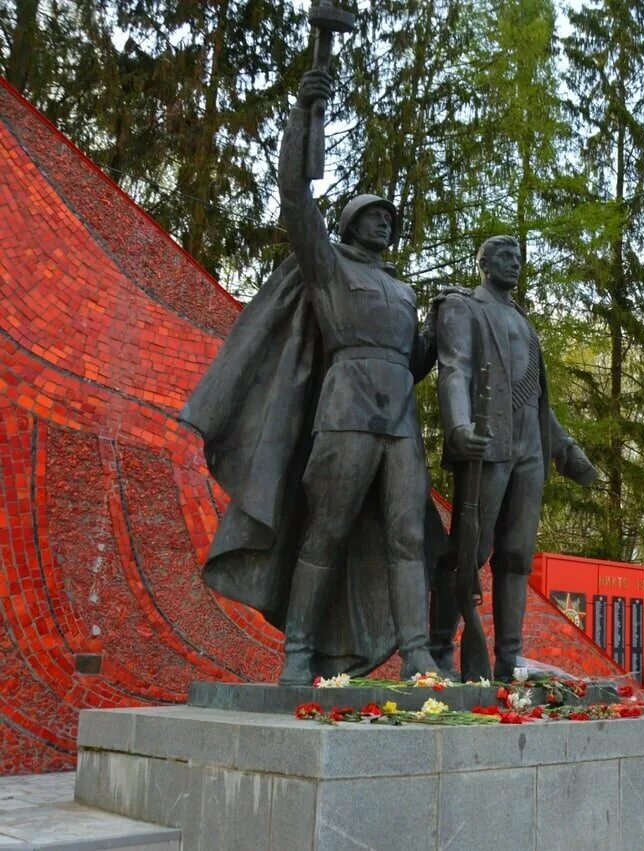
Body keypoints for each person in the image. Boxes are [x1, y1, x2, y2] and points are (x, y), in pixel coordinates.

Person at [181, 69, 446, 684]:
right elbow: (296, 197)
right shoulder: (327, 268)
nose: (384, 222)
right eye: (373, 215)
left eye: (390, 218)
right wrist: (306, 113)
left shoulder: (401, 289)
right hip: (346, 412)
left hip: (400, 420)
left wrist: (438, 338)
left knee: (407, 533)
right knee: (325, 531)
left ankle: (417, 654)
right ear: (350, 223)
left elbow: (409, 363)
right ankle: (298, 652)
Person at [430, 236, 598, 679]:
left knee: (518, 557)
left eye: (519, 258)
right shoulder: (465, 306)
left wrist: (567, 452)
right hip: (487, 443)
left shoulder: (523, 321)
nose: (515, 264)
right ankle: (440, 649)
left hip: (529, 451)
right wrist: (458, 427)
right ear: (483, 263)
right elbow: (454, 368)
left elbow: (536, 400)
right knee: (470, 550)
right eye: (505, 257)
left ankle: (508, 659)